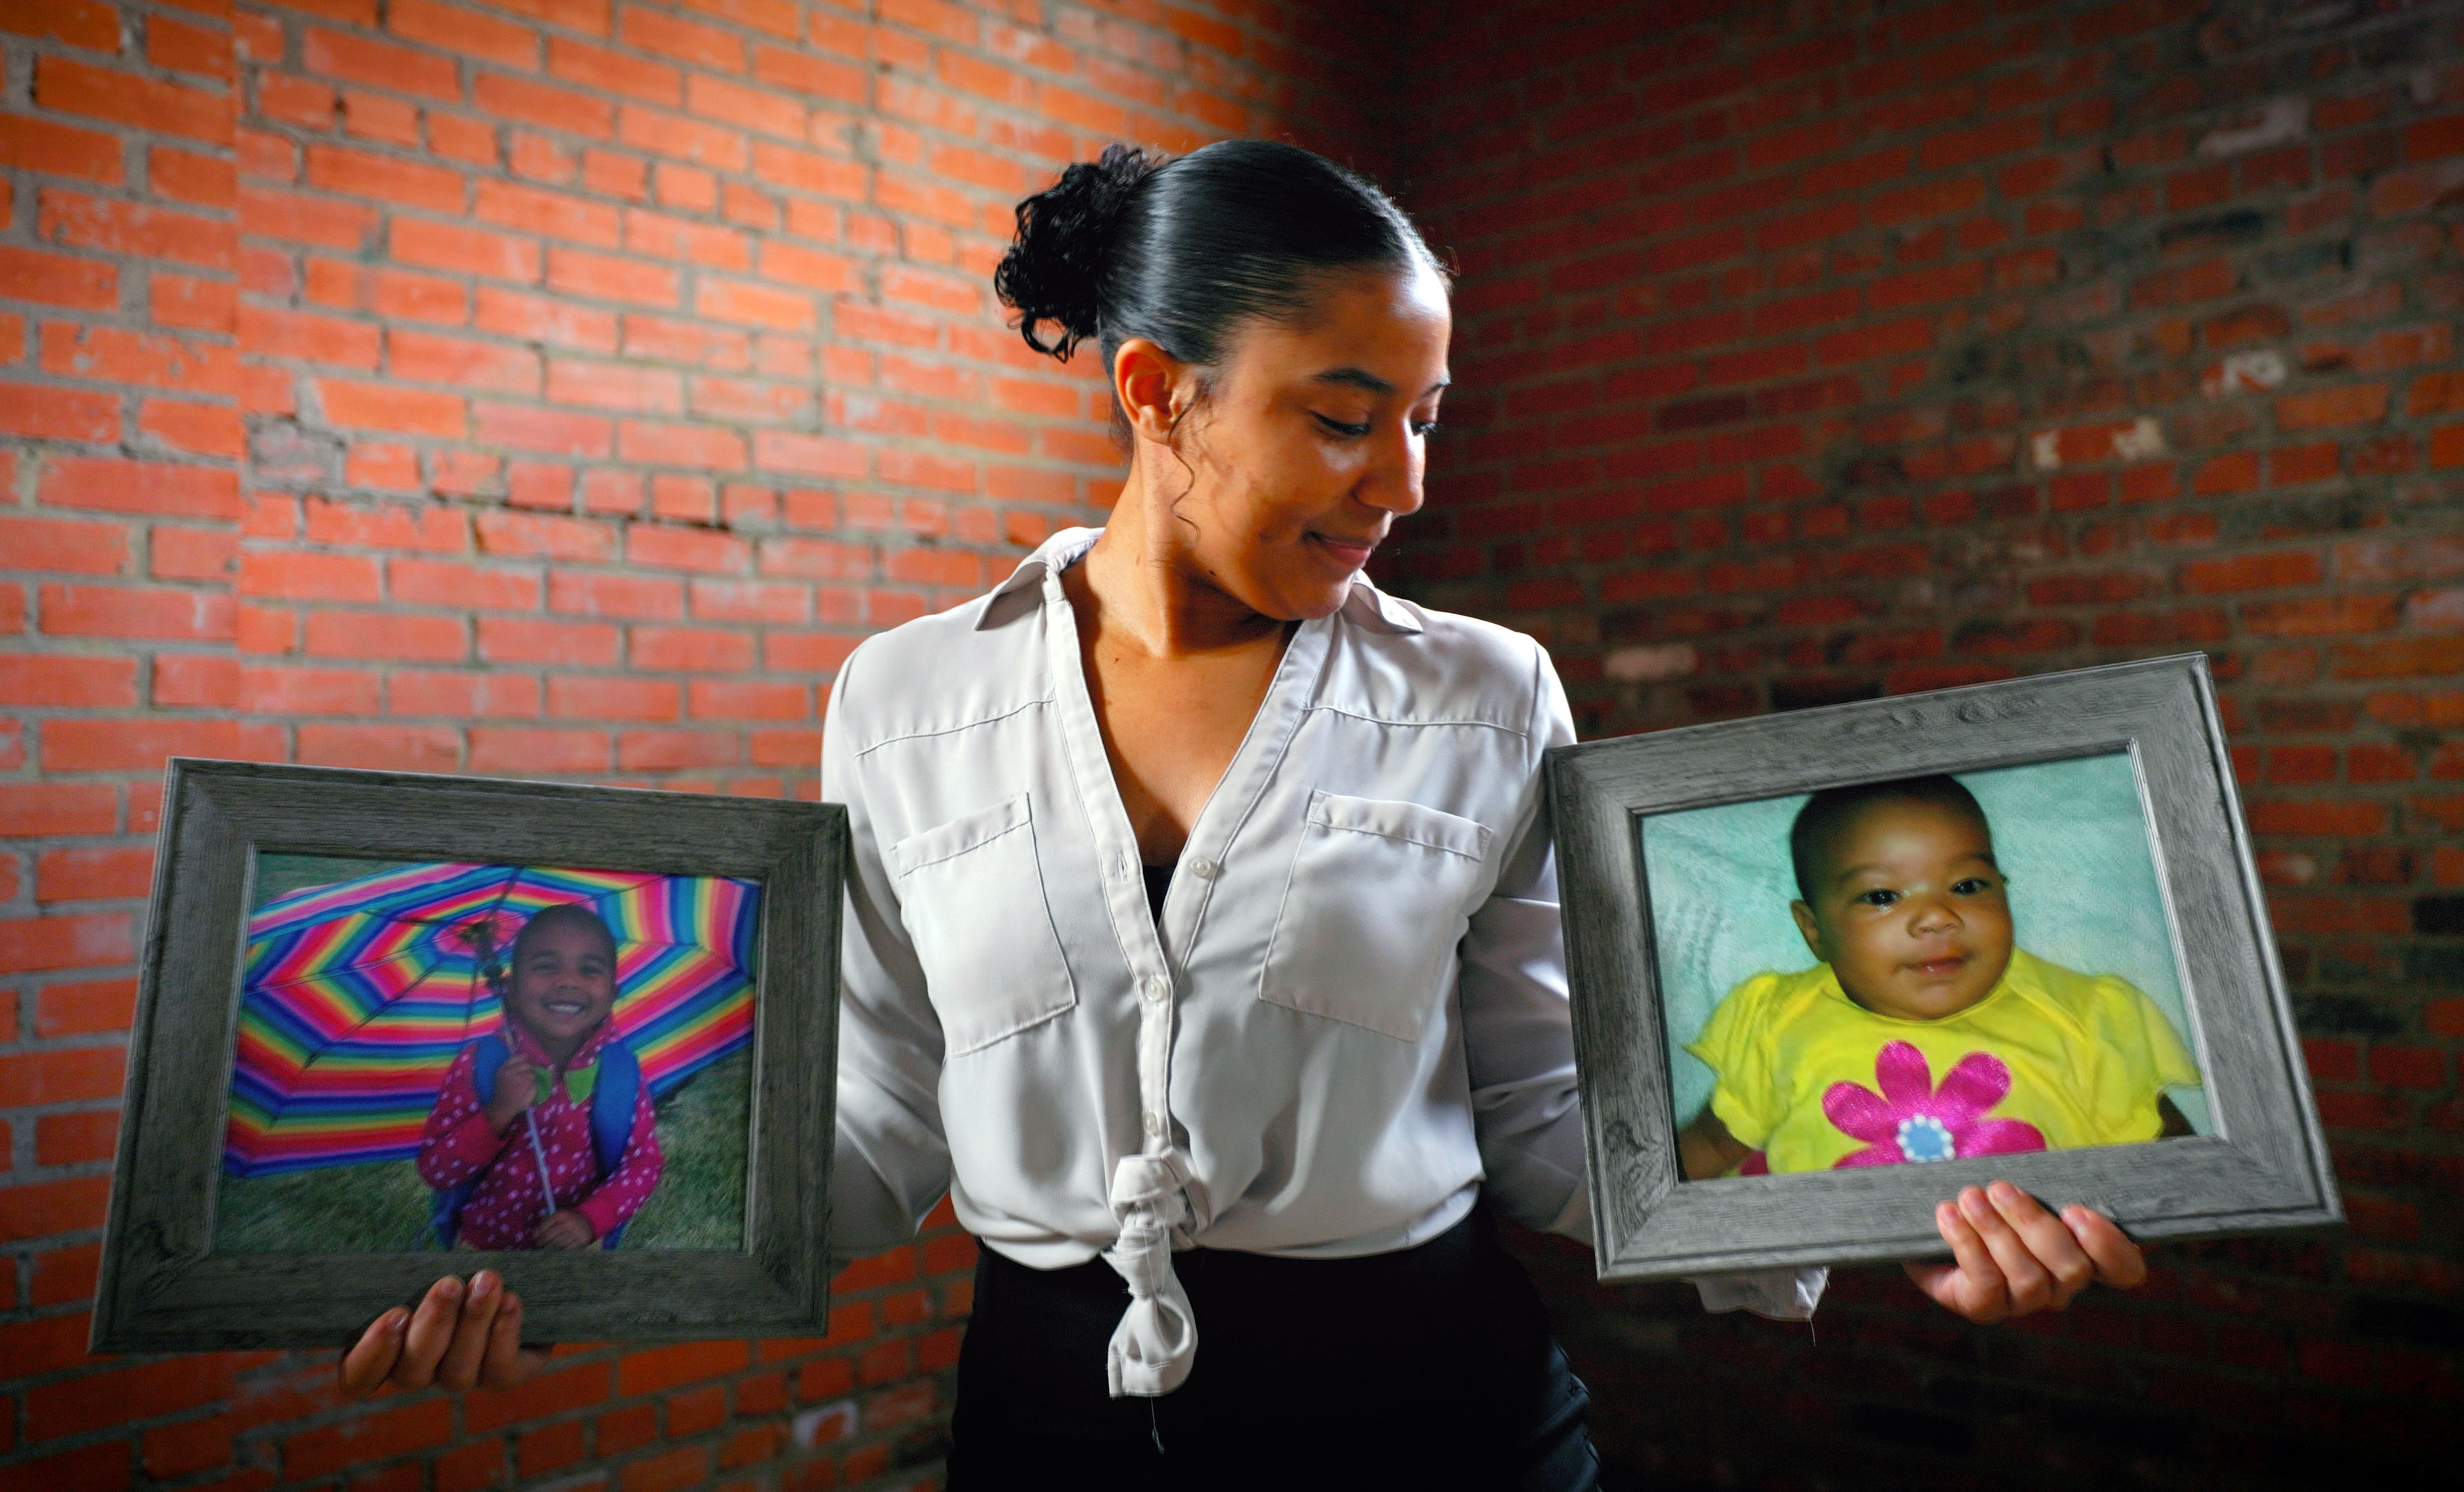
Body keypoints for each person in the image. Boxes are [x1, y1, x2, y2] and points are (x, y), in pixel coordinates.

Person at [338, 140, 2157, 1480]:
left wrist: (1888, 1209)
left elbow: (1548, 1111)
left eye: (1430, 416)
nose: (1408, 482)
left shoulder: (1484, 689)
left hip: (1432, 1415)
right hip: (1044, 1416)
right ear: (1157, 392)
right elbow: (874, 1116)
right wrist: (541, 1259)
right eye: (1349, 416)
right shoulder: (906, 694)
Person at [1677, 776, 2202, 1181]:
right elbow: (1706, 1151)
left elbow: (2182, 1169)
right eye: (1882, 896)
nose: (1938, 917)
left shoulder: (2085, 1017)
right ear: (1815, 931)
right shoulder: (1777, 1021)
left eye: (1969, 885)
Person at [414, 903, 662, 1251]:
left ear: (612, 995)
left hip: (579, 1251)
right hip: (483, 1250)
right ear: (510, 989)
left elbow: (643, 1164)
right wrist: (499, 1111)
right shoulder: (480, 1064)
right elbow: (436, 1170)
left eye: (590, 970)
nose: (567, 982)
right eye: (546, 966)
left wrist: (591, 1219)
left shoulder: (621, 1074)